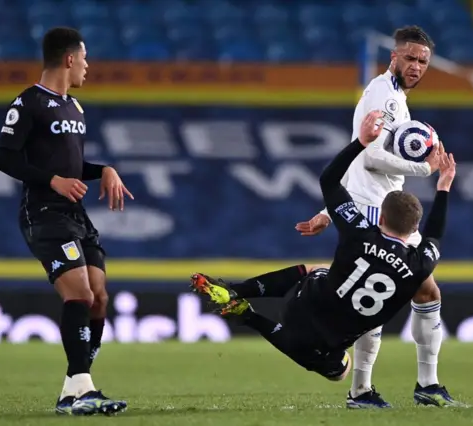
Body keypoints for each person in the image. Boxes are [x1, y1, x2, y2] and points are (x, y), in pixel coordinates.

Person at [190, 111, 459, 405]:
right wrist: (443, 187)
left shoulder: (359, 231)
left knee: (316, 270)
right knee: (339, 370)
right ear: (415, 231)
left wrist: (361, 142)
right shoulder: (420, 264)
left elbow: (329, 180)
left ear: (380, 216)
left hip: (302, 303)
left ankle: (237, 289)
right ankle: (249, 315)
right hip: (321, 342)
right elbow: (435, 236)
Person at [294, 25, 457, 408]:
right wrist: (426, 170)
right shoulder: (383, 95)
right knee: (393, 299)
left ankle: (403, 387)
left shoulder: (396, 97)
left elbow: (357, 159)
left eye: (423, 61)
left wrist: (326, 212)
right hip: (374, 210)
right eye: (410, 58)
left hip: (377, 203)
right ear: (394, 58)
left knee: (418, 293)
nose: (416, 66)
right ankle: (387, 388)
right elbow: (369, 155)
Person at [0, 27, 131, 416]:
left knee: (100, 297)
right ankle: (82, 390)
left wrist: (103, 169)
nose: (88, 66)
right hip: (43, 213)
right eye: (85, 59)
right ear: (70, 59)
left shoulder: (76, 108)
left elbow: (70, 165)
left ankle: (72, 390)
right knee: (80, 294)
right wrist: (51, 180)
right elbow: (6, 158)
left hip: (75, 215)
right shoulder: (28, 103)